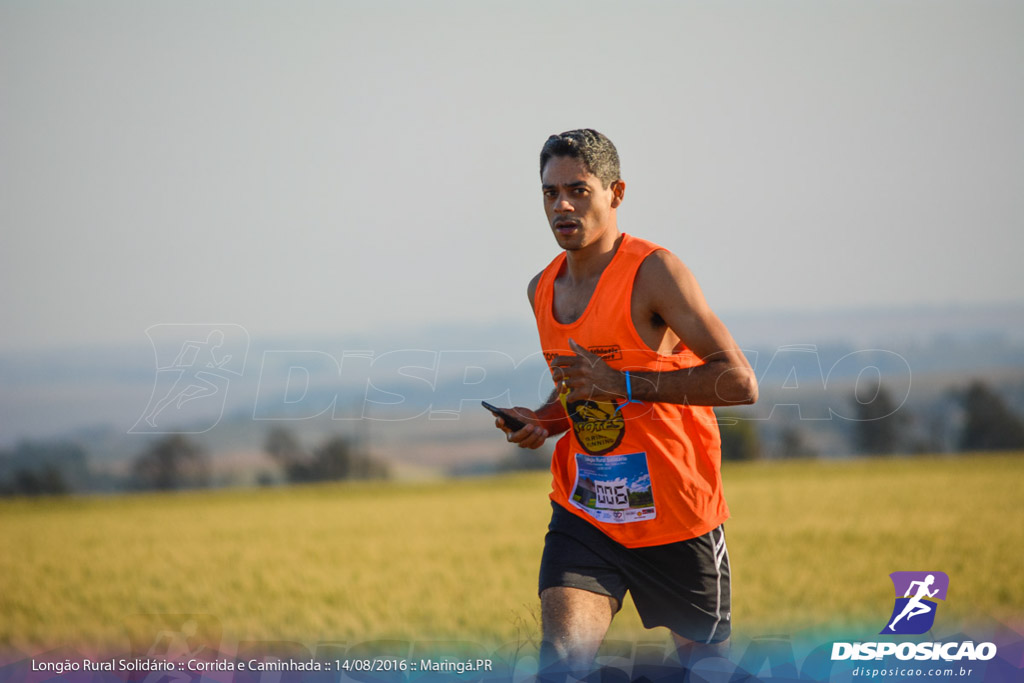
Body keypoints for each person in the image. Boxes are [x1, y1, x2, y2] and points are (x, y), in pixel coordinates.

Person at [492, 129, 758, 676]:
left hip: (677, 516)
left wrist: (623, 384)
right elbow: (578, 386)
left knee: (706, 671)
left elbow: (738, 382)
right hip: (586, 511)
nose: (561, 205)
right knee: (561, 664)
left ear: (615, 192)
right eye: (549, 193)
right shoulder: (541, 289)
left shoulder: (654, 272)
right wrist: (542, 420)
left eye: (578, 190)